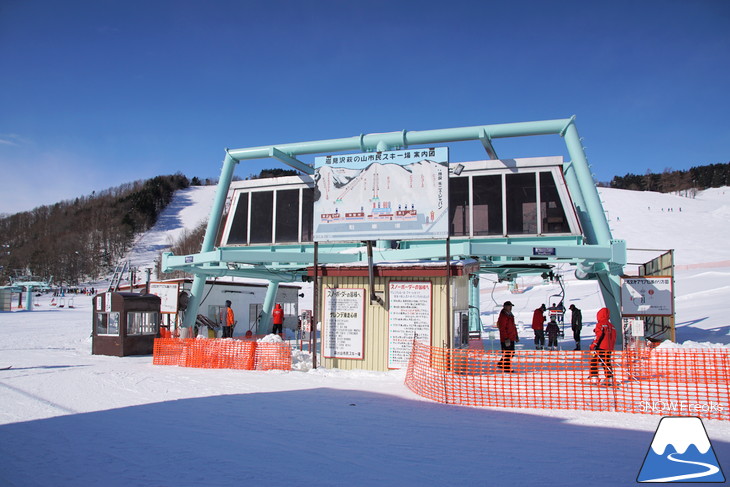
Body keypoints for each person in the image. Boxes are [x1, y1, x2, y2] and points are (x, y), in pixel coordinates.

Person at [588, 307, 617, 385]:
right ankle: (609, 378)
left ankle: (594, 377)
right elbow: (614, 338)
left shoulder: (600, 324)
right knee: (606, 362)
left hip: (601, 347)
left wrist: (594, 344)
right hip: (609, 348)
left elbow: (599, 335)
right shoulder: (612, 326)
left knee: (594, 361)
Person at [496, 301, 519, 372]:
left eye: (511, 306)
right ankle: (506, 368)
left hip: (511, 337)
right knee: (507, 353)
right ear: (505, 307)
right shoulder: (503, 316)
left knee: (511, 352)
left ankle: (501, 363)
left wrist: (516, 336)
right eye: (509, 306)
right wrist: (506, 338)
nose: (511, 308)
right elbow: (502, 328)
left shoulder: (510, 315)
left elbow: (513, 326)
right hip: (506, 338)